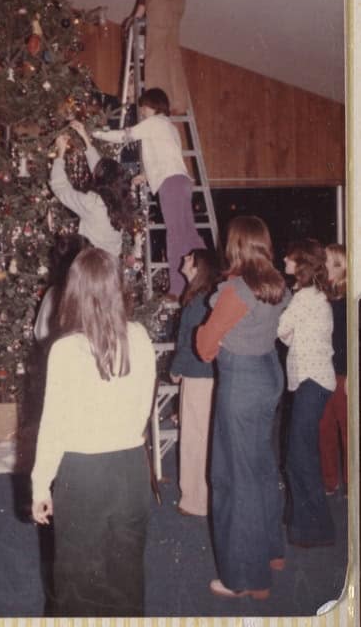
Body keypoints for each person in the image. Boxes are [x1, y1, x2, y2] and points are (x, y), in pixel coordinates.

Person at [31, 247, 156, 616]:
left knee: (76, 583)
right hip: (132, 469)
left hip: (83, 474)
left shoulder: (66, 350)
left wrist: (41, 485)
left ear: (75, 290)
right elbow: (144, 409)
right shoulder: (141, 336)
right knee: (126, 578)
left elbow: (53, 426)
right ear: (117, 288)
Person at [195, 216, 290, 600]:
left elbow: (204, 349)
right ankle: (271, 552)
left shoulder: (235, 291)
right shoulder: (277, 285)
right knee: (262, 465)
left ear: (234, 246)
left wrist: (205, 330)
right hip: (269, 373)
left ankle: (245, 578)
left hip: (243, 382)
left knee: (236, 477)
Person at [92, 87, 204, 297]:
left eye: (143, 107)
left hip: (171, 184)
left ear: (151, 105)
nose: (141, 111)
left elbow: (125, 136)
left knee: (176, 236)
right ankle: (205, 275)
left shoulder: (154, 123)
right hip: (180, 181)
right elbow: (165, 157)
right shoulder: (169, 126)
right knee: (188, 233)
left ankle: (178, 289)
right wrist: (145, 176)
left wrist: (95, 133)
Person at [278, 239, 336, 547]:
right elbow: (289, 333)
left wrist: (290, 332)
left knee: (299, 458)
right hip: (315, 381)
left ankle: (316, 529)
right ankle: (300, 520)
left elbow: (281, 329)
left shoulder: (303, 299)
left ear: (300, 264)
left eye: (290, 256)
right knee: (299, 455)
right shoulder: (314, 296)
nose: (284, 258)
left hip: (310, 381)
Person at [169, 248, 220, 517]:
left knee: (194, 438)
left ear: (199, 267)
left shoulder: (197, 301)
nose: (184, 258)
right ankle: (201, 496)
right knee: (202, 436)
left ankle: (196, 501)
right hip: (206, 375)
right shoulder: (202, 298)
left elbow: (189, 342)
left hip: (197, 375)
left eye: (189, 258)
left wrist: (176, 370)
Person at [48, 120, 133, 258]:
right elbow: (101, 171)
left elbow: (60, 188)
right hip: (111, 266)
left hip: (93, 267)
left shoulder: (93, 203)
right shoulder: (121, 201)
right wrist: (84, 137)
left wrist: (60, 154)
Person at [319, 243, 347, 496]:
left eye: (327, 260)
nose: (323, 263)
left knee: (348, 431)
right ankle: (330, 480)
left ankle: (353, 482)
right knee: (324, 426)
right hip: (324, 371)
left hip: (343, 374)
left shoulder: (351, 299)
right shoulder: (323, 295)